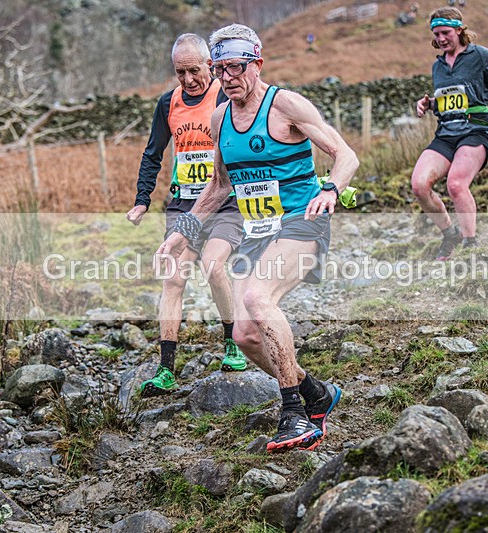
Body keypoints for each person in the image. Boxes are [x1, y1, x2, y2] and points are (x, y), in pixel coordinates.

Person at [156, 23, 359, 453]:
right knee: (247, 335)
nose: (228, 77)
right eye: (220, 69)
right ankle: (316, 393)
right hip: (259, 232)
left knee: (255, 299)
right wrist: (183, 230)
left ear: (256, 63)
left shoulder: (285, 104)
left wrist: (331, 189)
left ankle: (294, 416)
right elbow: (218, 186)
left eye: (235, 67)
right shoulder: (219, 118)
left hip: (302, 223)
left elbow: (346, 154)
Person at [127, 33, 247, 398]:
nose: (188, 79)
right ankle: (165, 369)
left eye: (194, 70)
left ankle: (233, 343)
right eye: (180, 72)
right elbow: (153, 153)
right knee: (173, 279)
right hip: (183, 203)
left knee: (213, 266)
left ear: (209, 66)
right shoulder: (168, 104)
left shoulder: (225, 97)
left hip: (225, 201)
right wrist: (142, 199)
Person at [412, 7, 488, 260]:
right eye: (436, 34)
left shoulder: (480, 55)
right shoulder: (438, 66)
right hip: (446, 133)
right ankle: (449, 234)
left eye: (445, 33)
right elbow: (446, 99)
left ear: (459, 30)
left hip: (475, 131)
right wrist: (427, 104)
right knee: (419, 185)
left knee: (456, 184)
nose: (440, 39)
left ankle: (471, 245)